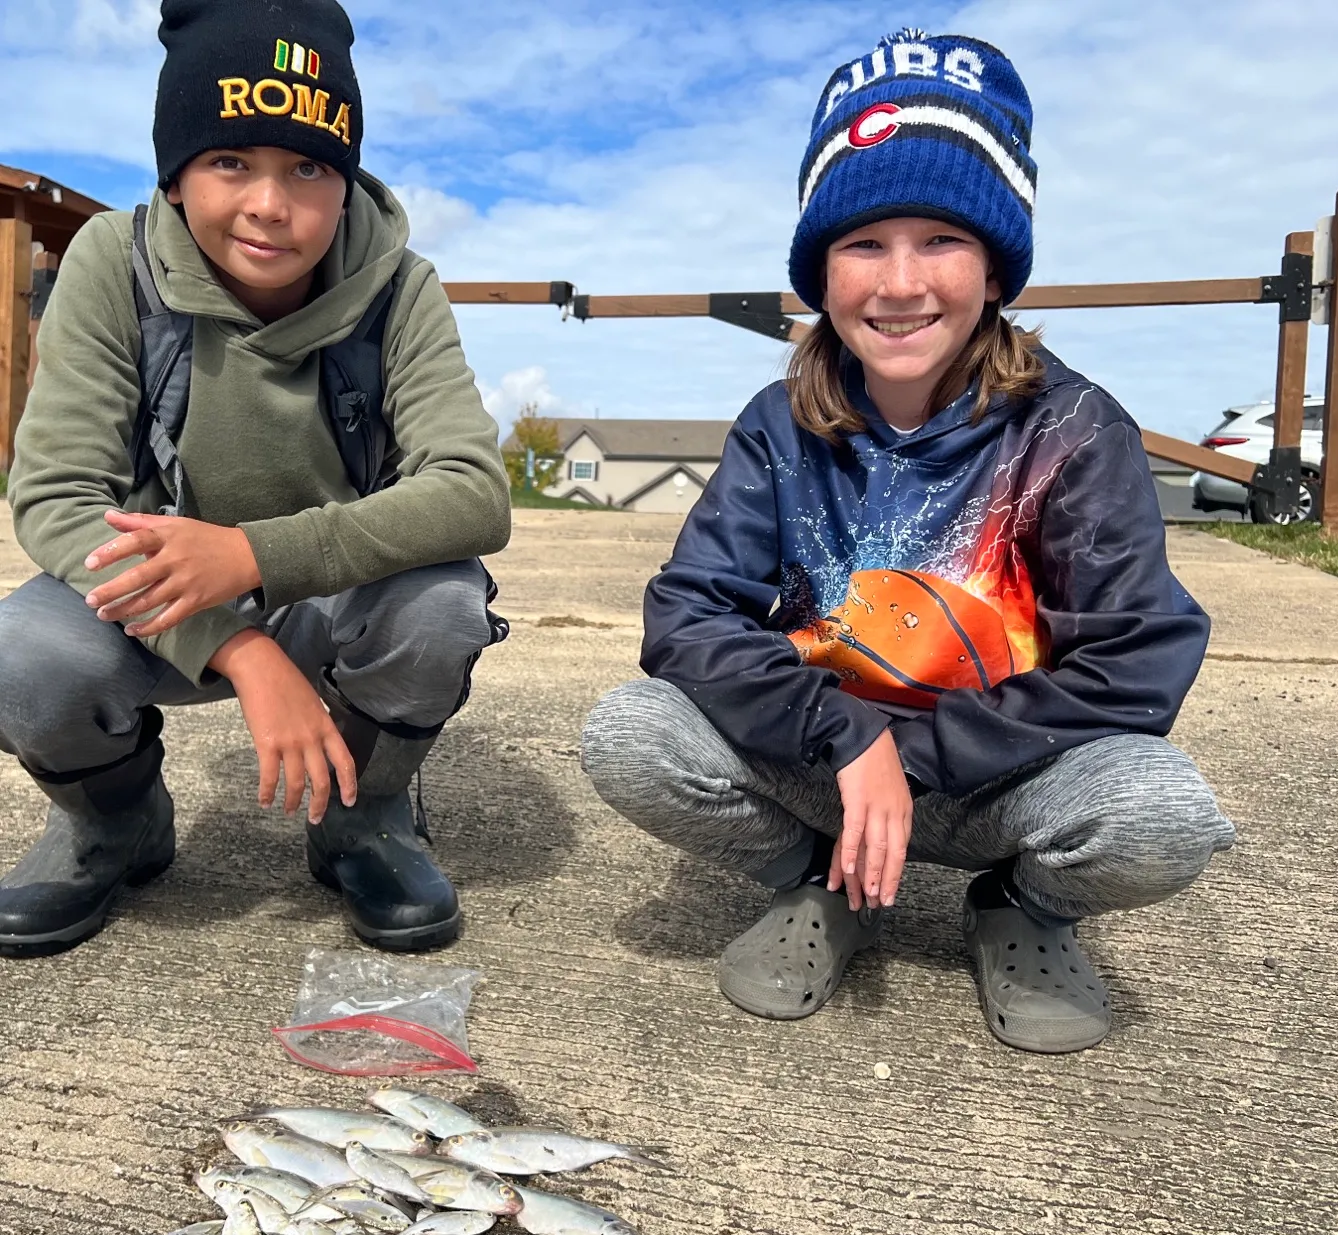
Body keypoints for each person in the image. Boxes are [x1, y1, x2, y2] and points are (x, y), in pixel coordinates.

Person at [582, 30, 1236, 1053]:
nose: (899, 282)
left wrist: (913, 753)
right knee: (634, 733)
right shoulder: (776, 422)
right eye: (861, 243)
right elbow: (688, 615)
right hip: (826, 765)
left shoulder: (1071, 428)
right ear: (819, 268)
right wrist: (846, 736)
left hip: (996, 775)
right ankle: (818, 879)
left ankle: (1019, 907)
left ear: (995, 264)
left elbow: (1136, 660)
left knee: (1162, 815)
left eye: (941, 240)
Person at [0, 0, 509, 956]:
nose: (270, 205)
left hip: (329, 597)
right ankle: (113, 825)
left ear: (344, 182)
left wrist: (251, 556)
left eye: (307, 167)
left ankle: (365, 821)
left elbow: (474, 490)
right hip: (162, 598)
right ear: (177, 172)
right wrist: (236, 645)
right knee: (26, 653)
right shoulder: (114, 261)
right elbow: (57, 497)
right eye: (231, 160)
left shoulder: (402, 286)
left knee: (443, 607)